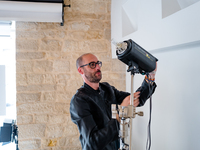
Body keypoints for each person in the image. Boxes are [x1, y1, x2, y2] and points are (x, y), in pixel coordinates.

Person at [70, 53, 157, 150]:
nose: (98, 67)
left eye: (98, 63)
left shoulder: (107, 88)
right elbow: (93, 142)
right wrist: (121, 113)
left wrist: (150, 76)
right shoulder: (79, 100)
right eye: (92, 64)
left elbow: (135, 100)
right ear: (80, 70)